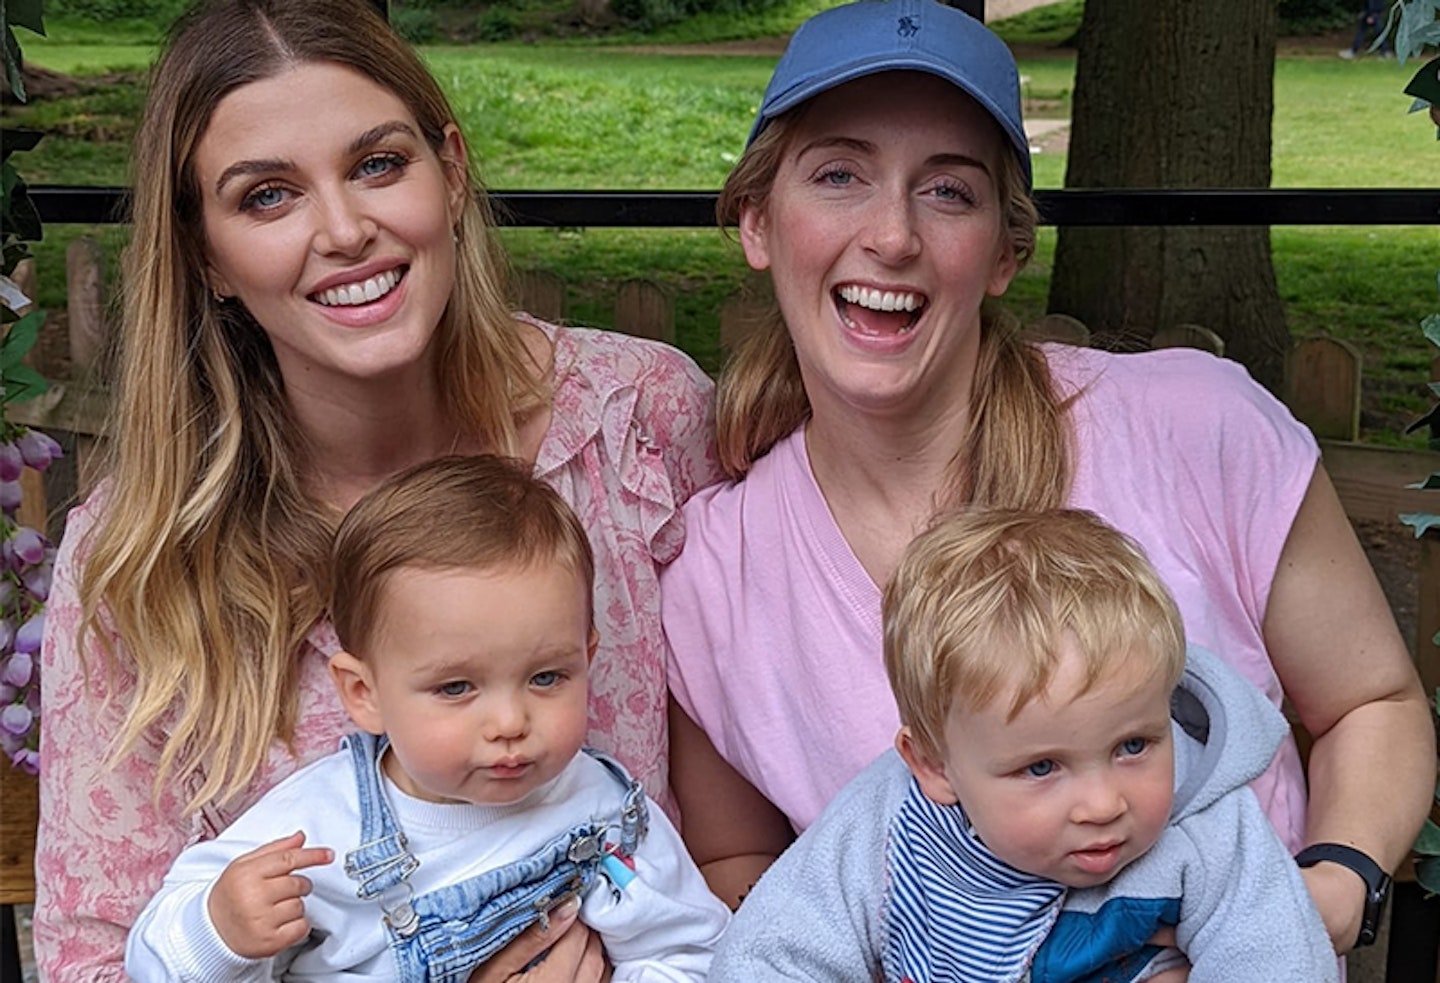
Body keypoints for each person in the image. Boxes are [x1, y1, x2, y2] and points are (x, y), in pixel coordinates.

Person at [661, 0, 1434, 962]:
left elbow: (1372, 703)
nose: (892, 235)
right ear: (756, 220)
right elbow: (736, 854)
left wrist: (1325, 888)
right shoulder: (713, 577)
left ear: (1005, 251)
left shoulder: (1200, 429)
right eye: (839, 175)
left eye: (948, 192)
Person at [35, 1, 721, 979]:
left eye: (377, 164)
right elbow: (92, 959)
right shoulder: (140, 561)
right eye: (268, 196)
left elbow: (765, 831)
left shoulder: (637, 424)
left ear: (450, 168)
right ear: (205, 256)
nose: (347, 229)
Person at [124, 456, 730, 983]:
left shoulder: (600, 810)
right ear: (365, 693)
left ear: (587, 658)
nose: (511, 721)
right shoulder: (315, 830)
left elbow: (687, 947)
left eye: (547, 677)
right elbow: (153, 958)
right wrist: (219, 930)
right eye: (456, 687)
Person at [709, 508, 1336, 982]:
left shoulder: (1209, 827)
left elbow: (1279, 958)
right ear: (934, 765)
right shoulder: (888, 827)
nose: (1101, 804)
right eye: (1042, 766)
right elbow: (768, 955)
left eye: (1134, 746)